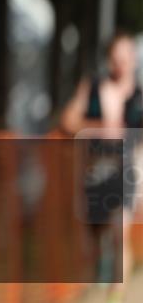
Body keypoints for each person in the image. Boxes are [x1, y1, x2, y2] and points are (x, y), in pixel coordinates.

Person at [59, 31, 142, 303]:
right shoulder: (93, 87)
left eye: (127, 57)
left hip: (129, 167)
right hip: (96, 168)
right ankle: (97, 282)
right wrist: (101, 129)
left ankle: (115, 296)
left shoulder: (140, 97)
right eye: (117, 58)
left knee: (120, 230)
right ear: (109, 59)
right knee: (95, 237)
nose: (122, 64)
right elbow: (68, 120)